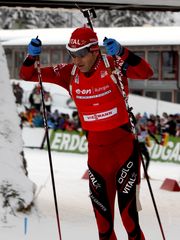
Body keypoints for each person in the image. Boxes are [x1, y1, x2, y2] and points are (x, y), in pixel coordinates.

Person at [19, 26, 153, 240]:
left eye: (81, 54)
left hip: (124, 153)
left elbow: (146, 72)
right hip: (97, 158)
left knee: (130, 221)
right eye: (72, 54)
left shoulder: (112, 65)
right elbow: (28, 75)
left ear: (95, 50)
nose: (76, 60)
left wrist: (121, 52)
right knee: (103, 226)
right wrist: (31, 56)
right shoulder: (68, 72)